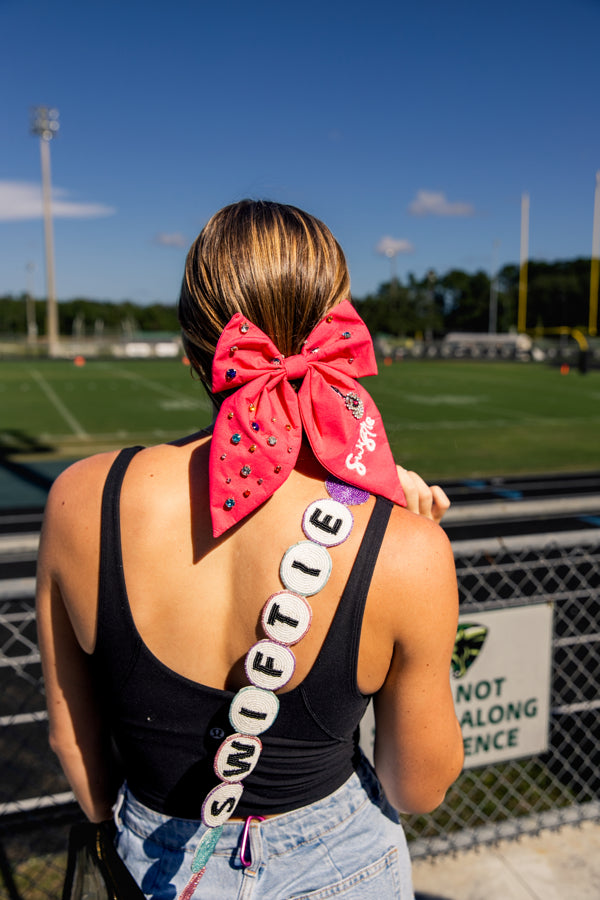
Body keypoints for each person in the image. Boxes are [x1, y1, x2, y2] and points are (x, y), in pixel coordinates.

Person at [36, 200, 464, 900]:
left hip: (154, 866)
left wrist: (128, 833)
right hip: (344, 869)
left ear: (192, 349)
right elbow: (418, 785)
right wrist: (416, 552)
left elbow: (72, 745)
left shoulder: (80, 502)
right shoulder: (406, 550)